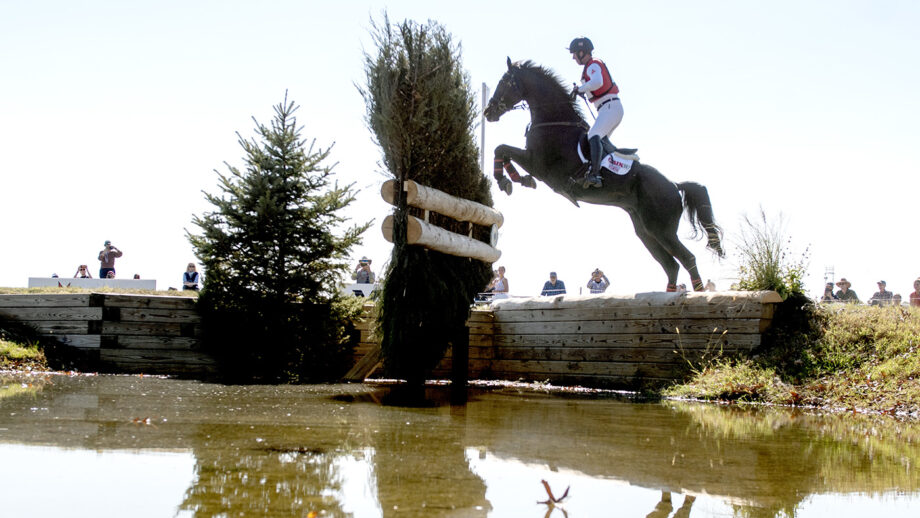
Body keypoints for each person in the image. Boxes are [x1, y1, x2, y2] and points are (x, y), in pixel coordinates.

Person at [569, 36, 625, 188]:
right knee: (600, 142)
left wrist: (580, 89)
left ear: (582, 52)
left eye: (574, 53)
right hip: (608, 108)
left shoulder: (593, 64)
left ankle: (595, 175)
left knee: (593, 135)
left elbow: (598, 82)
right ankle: (603, 172)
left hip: (610, 107)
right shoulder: (591, 66)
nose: (573, 57)